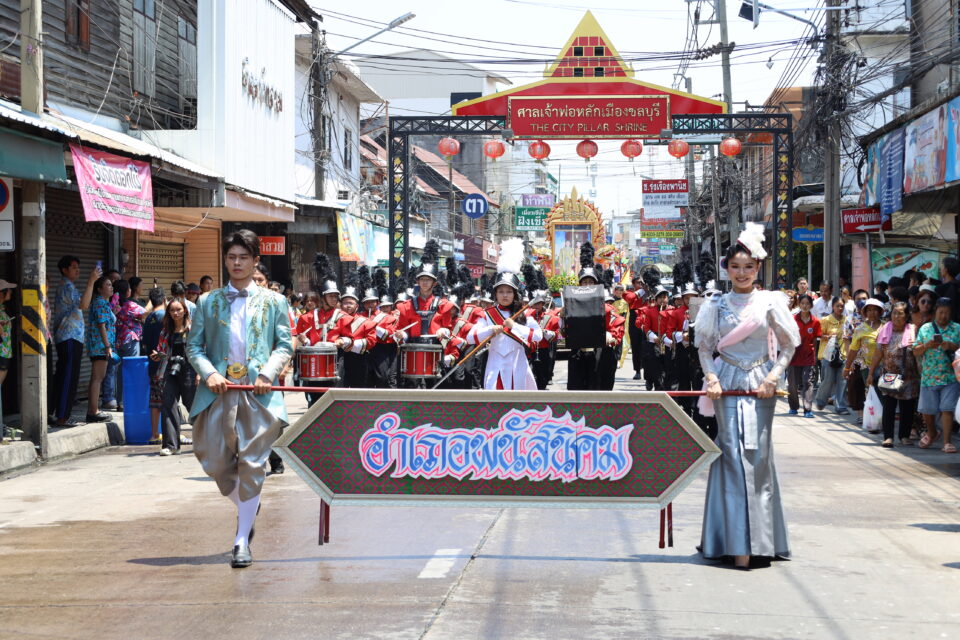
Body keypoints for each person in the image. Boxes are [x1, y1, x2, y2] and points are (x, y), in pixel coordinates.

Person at [186, 229, 293, 568]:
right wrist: (209, 373)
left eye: (243, 257)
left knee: (253, 464)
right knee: (216, 464)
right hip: (218, 393)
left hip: (257, 394)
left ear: (255, 261)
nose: (236, 263)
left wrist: (268, 374)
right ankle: (248, 504)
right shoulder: (207, 301)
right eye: (231, 257)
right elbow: (193, 346)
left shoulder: (275, 301)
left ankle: (241, 541)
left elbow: (284, 345)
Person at [696, 222, 800, 569]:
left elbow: (789, 345)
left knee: (758, 456)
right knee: (729, 456)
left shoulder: (771, 302)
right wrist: (711, 377)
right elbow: (704, 347)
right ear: (726, 269)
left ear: (758, 268)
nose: (742, 273)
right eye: (735, 267)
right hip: (726, 382)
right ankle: (732, 543)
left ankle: (761, 542)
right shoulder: (715, 304)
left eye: (748, 267)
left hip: (761, 384)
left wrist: (773, 375)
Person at [467, 242, 542, 390]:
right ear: (495, 294)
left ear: (515, 294)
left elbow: (538, 336)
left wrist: (515, 326)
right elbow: (470, 337)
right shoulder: (487, 314)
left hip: (518, 365)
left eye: (509, 292)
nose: (505, 295)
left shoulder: (524, 314)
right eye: (501, 292)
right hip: (495, 365)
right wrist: (491, 329)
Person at [51, 256, 99, 427]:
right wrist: (91, 281)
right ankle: (63, 416)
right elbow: (84, 304)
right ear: (64, 270)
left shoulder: (68, 286)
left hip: (69, 337)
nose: (77, 270)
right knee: (69, 377)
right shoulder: (67, 286)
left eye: (78, 267)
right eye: (73, 267)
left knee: (63, 376)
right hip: (69, 337)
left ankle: (55, 412)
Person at [867, 302, 920, 448]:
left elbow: (919, 351)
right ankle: (888, 437)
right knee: (889, 407)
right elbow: (878, 353)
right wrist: (871, 373)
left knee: (907, 408)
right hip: (889, 375)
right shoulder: (885, 329)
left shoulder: (913, 330)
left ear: (906, 315)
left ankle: (904, 436)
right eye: (894, 313)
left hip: (909, 376)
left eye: (900, 313)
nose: (896, 316)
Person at [913, 298, 960, 452]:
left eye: (947, 313)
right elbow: (915, 351)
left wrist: (952, 346)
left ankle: (947, 442)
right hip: (929, 376)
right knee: (927, 410)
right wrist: (927, 346)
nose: (944, 316)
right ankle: (932, 432)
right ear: (935, 312)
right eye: (941, 312)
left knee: (947, 409)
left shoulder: (957, 328)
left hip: (950, 377)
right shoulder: (925, 328)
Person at [151, 298, 197, 456]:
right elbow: (161, 349)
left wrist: (200, 373)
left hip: (190, 369)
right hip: (170, 369)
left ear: (185, 310)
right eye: (172, 310)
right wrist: (158, 355)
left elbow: (201, 350)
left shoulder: (193, 329)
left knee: (193, 405)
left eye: (178, 310)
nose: (175, 313)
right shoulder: (165, 330)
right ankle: (171, 445)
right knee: (168, 404)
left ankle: (206, 440)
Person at [843, 298, 884, 430]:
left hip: (886, 367)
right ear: (865, 312)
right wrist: (847, 367)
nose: (872, 313)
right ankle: (873, 422)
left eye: (875, 310)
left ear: (880, 312)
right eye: (869, 310)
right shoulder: (860, 329)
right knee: (872, 395)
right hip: (868, 368)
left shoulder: (887, 326)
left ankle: (884, 421)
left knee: (885, 395)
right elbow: (853, 350)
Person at [112, 280, 149, 410]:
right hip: (130, 340)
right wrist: (152, 300)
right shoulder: (129, 305)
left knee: (120, 372)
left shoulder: (115, 304)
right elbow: (146, 312)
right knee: (132, 370)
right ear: (127, 291)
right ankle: (129, 402)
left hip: (119, 341)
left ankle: (120, 401)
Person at [85, 276, 116, 423]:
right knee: (98, 378)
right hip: (100, 346)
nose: (111, 287)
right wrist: (107, 346)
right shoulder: (100, 303)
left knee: (96, 378)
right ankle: (94, 411)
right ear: (99, 289)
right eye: (108, 285)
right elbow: (101, 326)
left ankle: (92, 409)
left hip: (99, 345)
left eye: (111, 284)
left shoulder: (103, 303)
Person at [815, 297, 849, 415]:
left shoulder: (847, 320)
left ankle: (840, 406)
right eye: (837, 306)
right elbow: (818, 334)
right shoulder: (825, 320)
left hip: (843, 354)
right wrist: (827, 337)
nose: (840, 308)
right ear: (833, 307)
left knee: (842, 381)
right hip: (828, 355)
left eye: (842, 306)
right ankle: (821, 400)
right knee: (828, 380)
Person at [788, 294, 821, 417]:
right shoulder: (792, 319)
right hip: (793, 356)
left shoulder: (816, 321)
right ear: (799, 304)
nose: (805, 306)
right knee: (792, 384)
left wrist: (814, 356)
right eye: (802, 303)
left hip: (808, 356)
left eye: (807, 303)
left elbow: (815, 340)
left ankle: (807, 409)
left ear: (811, 305)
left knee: (808, 382)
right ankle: (793, 406)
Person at [142, 287, 166, 444]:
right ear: (165, 300)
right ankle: (172, 433)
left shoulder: (149, 318)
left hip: (152, 364)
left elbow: (145, 343)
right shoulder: (164, 317)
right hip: (164, 364)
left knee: (155, 400)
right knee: (168, 400)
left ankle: (155, 434)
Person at [0, 280, 15, 438]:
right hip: (2, 354)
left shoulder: (3, 309)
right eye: (8, 290)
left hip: (5, 353)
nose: (10, 292)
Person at [935, 257, 960, 323]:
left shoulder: (939, 289)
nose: (940, 269)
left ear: (945, 270)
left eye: (942, 267)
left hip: (945, 323)